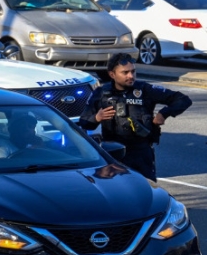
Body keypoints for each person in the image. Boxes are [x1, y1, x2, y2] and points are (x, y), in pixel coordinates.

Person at [79, 53, 192, 182]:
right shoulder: (101, 93)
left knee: (147, 187)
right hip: (113, 153)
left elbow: (183, 99)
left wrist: (164, 113)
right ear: (112, 74)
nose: (131, 76)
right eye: (125, 72)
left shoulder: (145, 90)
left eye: (133, 71)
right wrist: (97, 118)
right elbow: (84, 122)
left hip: (141, 152)